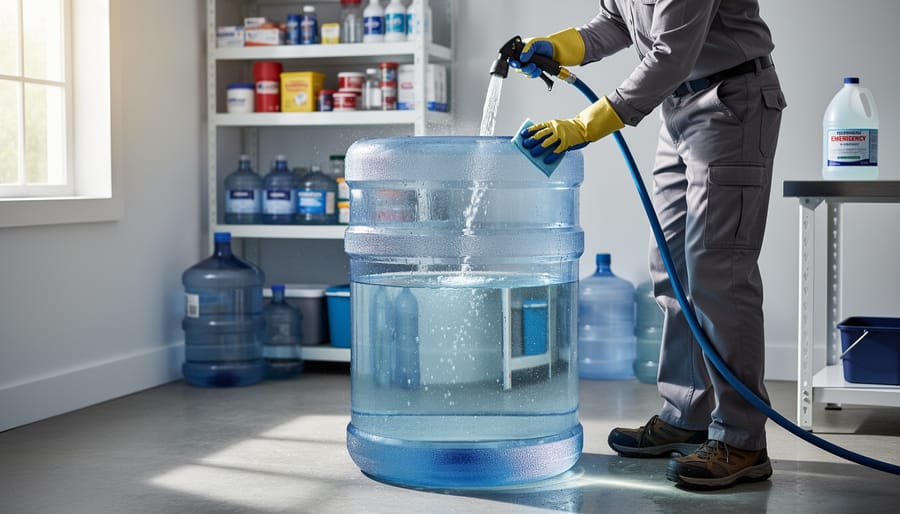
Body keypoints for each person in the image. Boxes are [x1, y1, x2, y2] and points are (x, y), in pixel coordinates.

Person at [511, 0, 787, 490]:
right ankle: (687, 414)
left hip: (731, 104)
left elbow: (670, 53)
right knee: (672, 269)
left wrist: (583, 126)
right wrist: (558, 45)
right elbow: (616, 22)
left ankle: (743, 440)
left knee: (717, 273)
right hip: (677, 108)